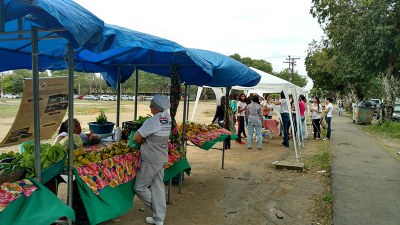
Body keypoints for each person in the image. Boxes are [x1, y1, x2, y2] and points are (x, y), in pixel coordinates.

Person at [133, 94, 171, 225]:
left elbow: (136, 138)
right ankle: (159, 219)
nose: (150, 108)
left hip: (150, 158)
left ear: (155, 108)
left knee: (140, 187)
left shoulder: (153, 121)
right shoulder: (168, 117)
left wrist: (143, 139)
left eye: (151, 106)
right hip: (161, 157)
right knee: (158, 186)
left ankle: (158, 212)